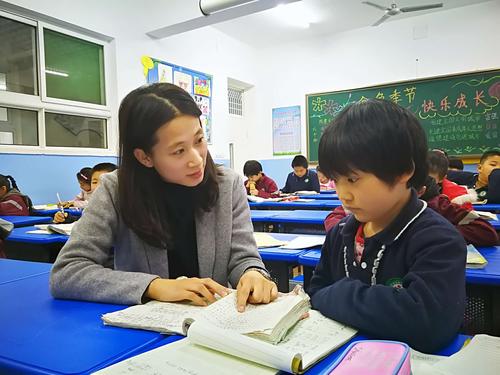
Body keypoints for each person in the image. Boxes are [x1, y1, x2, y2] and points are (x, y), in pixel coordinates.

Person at [50, 83, 277, 312]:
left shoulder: (227, 185)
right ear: (145, 157)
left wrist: (253, 273)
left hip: (212, 326)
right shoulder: (116, 189)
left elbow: (243, 257)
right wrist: (154, 287)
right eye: (179, 151)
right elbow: (67, 272)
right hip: (142, 331)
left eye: (199, 140)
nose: (197, 159)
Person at [309, 99, 466, 353]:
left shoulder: (439, 240)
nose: (343, 195)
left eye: (352, 179)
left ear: (404, 170)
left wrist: (340, 294)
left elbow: (428, 324)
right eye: (336, 180)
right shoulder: (341, 233)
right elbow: (316, 290)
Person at [53, 163, 118, 224]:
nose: (98, 186)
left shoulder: (121, 211)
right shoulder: (94, 207)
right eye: (94, 182)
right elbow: (85, 220)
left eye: (104, 181)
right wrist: (65, 218)